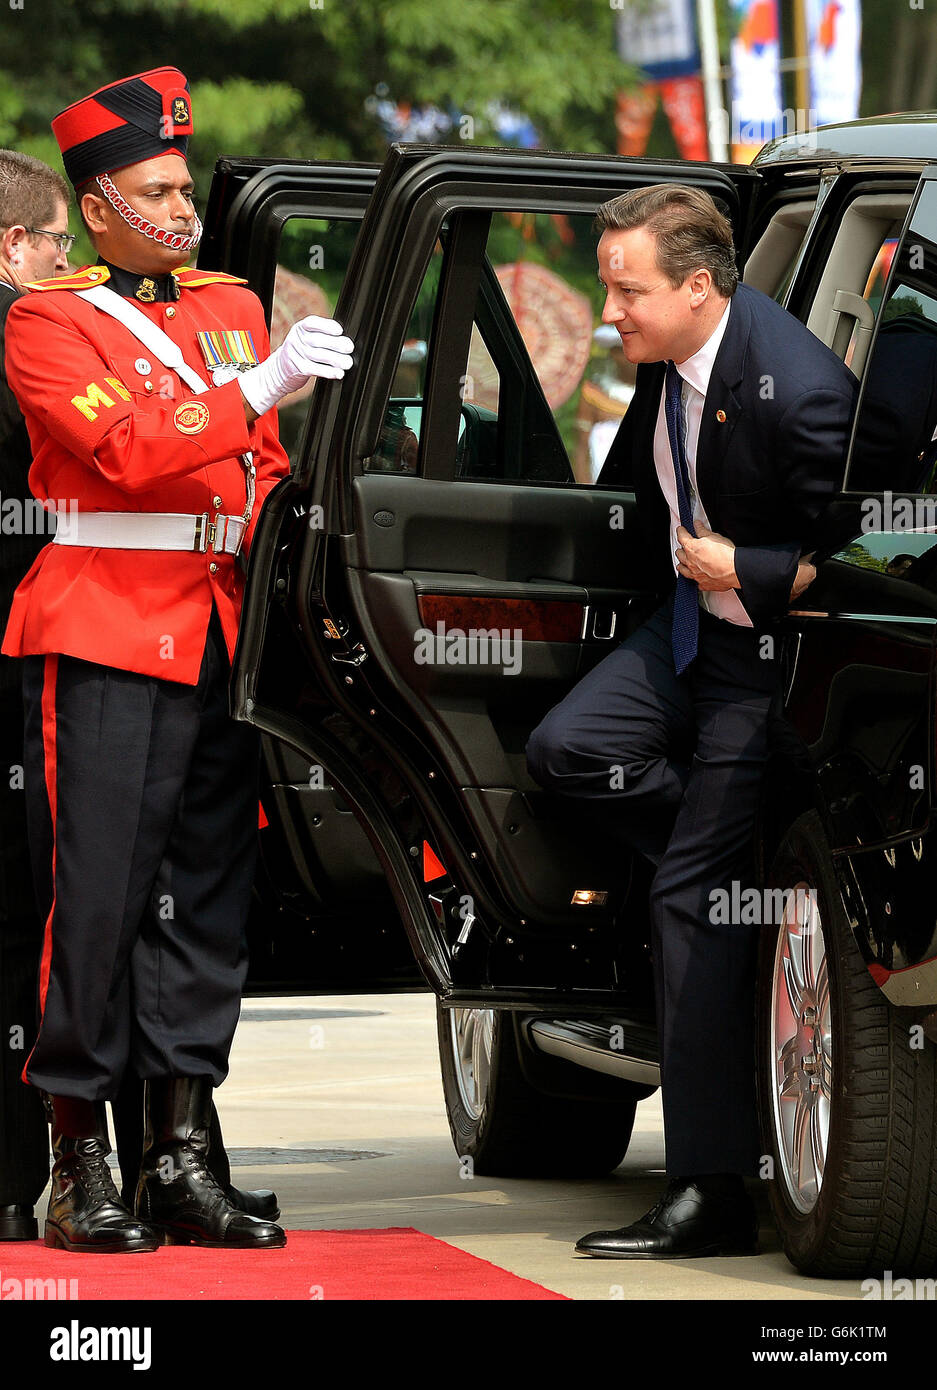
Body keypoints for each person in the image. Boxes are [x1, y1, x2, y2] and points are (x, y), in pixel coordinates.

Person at [1, 66, 354, 1253]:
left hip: (214, 623)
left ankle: (180, 1151)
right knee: (95, 900)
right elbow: (127, 450)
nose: (184, 202)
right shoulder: (46, 319)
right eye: (157, 186)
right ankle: (74, 1161)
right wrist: (256, 389)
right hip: (105, 617)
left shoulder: (232, 304)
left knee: (203, 905)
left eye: (185, 179)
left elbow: (257, 471)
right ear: (98, 206)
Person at [525, 185, 857, 1259]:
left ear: (699, 288)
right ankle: (728, 866)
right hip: (681, 636)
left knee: (686, 905)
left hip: (760, 659)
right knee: (567, 749)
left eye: (626, 289)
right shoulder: (672, 366)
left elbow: (867, 553)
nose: (608, 308)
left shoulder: (800, 390)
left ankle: (710, 1185)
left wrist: (747, 567)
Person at [0, 150, 71, 1243]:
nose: (67, 266)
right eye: (61, 244)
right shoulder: (29, 345)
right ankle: (16, 1180)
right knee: (19, 924)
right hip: (21, 661)